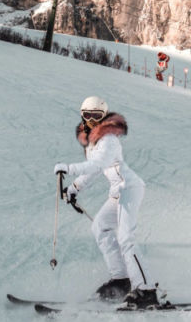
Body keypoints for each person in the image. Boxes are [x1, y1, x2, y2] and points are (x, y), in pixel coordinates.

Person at [54, 96, 159, 309]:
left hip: (129, 188)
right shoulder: (93, 143)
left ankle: (146, 289)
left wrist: (68, 167)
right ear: (83, 116)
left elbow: (98, 164)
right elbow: (94, 171)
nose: (92, 119)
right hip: (117, 192)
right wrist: (73, 189)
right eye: (88, 115)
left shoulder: (109, 139)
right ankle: (121, 280)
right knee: (100, 227)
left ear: (104, 116)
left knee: (126, 238)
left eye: (97, 115)